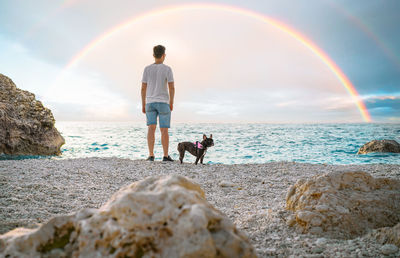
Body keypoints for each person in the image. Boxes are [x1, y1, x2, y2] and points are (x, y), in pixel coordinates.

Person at [141, 45, 175, 161]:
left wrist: (143, 103)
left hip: (150, 102)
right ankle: (165, 156)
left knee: (151, 128)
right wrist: (171, 102)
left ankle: (151, 155)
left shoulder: (147, 69)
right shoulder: (167, 69)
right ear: (163, 55)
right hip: (163, 102)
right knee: (164, 129)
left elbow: (143, 88)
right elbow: (171, 87)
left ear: (153, 55)